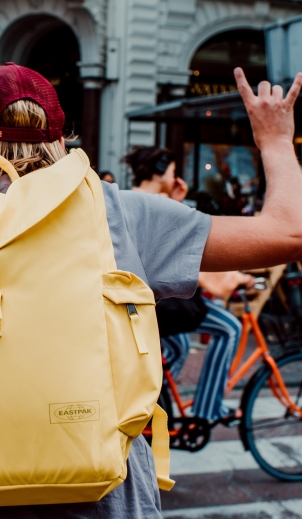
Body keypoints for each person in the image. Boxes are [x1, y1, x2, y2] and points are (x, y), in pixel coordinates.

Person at [0, 63, 302, 517]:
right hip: (98, 500)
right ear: (62, 142)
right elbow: (290, 234)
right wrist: (275, 140)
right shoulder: (117, 214)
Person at [123, 146, 252, 423]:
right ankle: (207, 408)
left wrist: (174, 199)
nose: (175, 176)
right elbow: (185, 256)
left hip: (145, 302)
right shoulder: (157, 206)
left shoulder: (132, 198)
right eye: (172, 171)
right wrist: (234, 278)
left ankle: (156, 402)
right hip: (166, 303)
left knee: (178, 346)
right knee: (230, 328)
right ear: (160, 173)